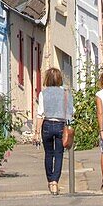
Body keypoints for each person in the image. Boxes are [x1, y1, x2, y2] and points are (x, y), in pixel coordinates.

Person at [32, 67, 74, 195]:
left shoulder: (43, 93)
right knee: (59, 154)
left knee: (48, 154)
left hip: (47, 125)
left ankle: (50, 180)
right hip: (61, 125)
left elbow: (40, 114)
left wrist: (36, 132)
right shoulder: (66, 93)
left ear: (47, 79)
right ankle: (55, 181)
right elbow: (71, 112)